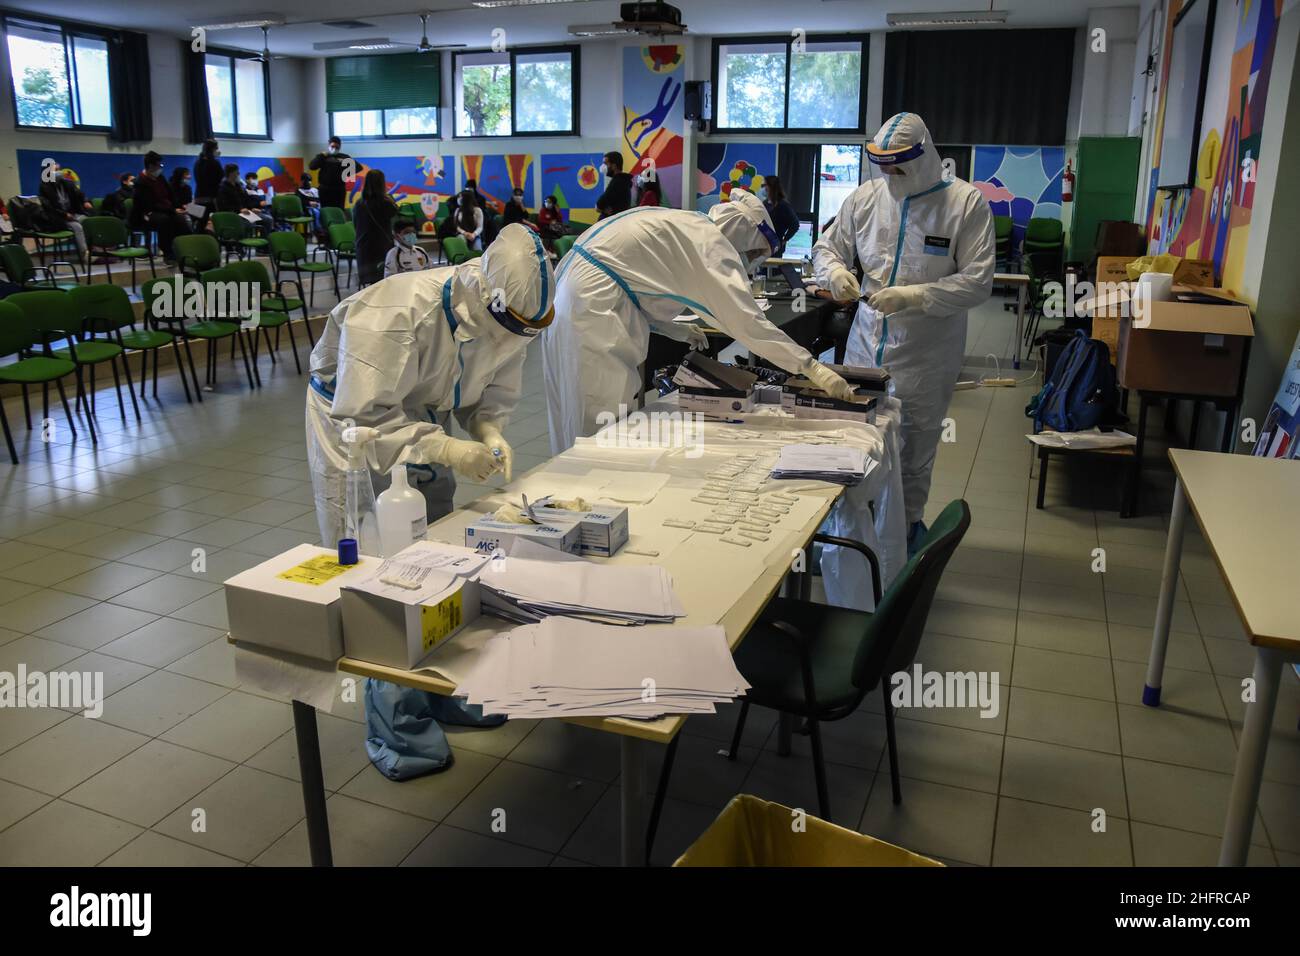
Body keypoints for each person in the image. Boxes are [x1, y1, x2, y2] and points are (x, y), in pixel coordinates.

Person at [306, 224, 555, 779]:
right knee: (383, 570)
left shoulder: (510, 319)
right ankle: (397, 724)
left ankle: (442, 687)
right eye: (510, 329)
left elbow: (490, 393)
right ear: (484, 296)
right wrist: (446, 447)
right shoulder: (396, 314)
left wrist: (487, 432)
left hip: (422, 417)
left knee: (438, 554)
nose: (514, 340)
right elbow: (364, 418)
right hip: (351, 429)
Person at [542, 188, 857, 453]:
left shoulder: (688, 224)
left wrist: (673, 327)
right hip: (591, 308)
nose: (749, 261)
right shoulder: (709, 242)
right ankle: (589, 504)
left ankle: (576, 495)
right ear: (743, 233)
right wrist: (810, 367)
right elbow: (747, 321)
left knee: (570, 410)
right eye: (753, 253)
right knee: (598, 416)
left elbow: (637, 281)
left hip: (576, 295)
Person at [813, 112, 995, 553]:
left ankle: (907, 533)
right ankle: (850, 536)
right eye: (883, 167)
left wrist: (915, 297)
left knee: (913, 445)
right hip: (865, 340)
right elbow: (826, 246)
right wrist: (835, 271)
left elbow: (978, 282)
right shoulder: (865, 198)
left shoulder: (965, 205)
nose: (890, 176)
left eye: (899, 168)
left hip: (926, 351)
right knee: (853, 437)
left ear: (924, 158)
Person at [130, 151, 192, 264]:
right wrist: (172, 210)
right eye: (159, 165)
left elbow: (170, 195)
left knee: (181, 220)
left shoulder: (160, 178)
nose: (161, 167)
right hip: (147, 213)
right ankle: (168, 253)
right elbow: (149, 204)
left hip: (166, 210)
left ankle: (186, 250)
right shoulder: (140, 182)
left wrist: (178, 206)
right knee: (165, 220)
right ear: (150, 166)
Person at [37, 164, 91, 266]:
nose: (59, 171)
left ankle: (95, 250)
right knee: (77, 226)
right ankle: (85, 255)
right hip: (57, 218)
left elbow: (79, 193)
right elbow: (49, 207)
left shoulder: (67, 183)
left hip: (72, 214)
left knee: (89, 221)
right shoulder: (44, 187)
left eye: (59, 169)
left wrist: (85, 201)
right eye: (55, 170)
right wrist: (64, 214)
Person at [352, 168, 397, 286]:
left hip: (364, 247)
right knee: (383, 284)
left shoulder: (359, 203)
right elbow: (394, 213)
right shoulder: (386, 203)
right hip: (381, 247)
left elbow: (355, 223)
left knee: (369, 286)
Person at [216, 164, 271, 236]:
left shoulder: (239, 187)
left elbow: (246, 200)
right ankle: (244, 243)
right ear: (231, 173)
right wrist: (239, 210)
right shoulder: (222, 188)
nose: (239, 174)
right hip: (233, 214)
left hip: (245, 212)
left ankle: (263, 244)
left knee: (268, 220)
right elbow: (223, 205)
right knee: (250, 223)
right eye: (237, 172)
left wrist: (252, 208)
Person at [760, 175, 799, 256]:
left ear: (771, 187)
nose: (762, 188)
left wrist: (785, 239)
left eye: (764, 185)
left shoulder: (783, 205)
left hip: (776, 247)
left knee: (774, 268)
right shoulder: (765, 203)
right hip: (763, 246)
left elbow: (795, 224)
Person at [309, 136, 352, 210]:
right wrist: (322, 156)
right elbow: (312, 166)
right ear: (329, 145)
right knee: (325, 211)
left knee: (339, 210)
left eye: (337, 147)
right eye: (332, 146)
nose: (334, 149)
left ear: (340, 147)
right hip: (324, 190)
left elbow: (350, 173)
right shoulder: (323, 157)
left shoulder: (345, 157)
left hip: (339, 190)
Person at [595, 151, 633, 219]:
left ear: (614, 165)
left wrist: (600, 208)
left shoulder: (618, 182)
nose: (603, 167)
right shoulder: (622, 180)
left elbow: (599, 204)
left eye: (606, 164)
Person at [192, 139, 223, 212]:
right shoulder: (214, 162)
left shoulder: (198, 162)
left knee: (201, 221)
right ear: (212, 149)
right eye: (216, 148)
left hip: (199, 196)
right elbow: (220, 178)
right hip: (211, 198)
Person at [296, 172, 323, 238]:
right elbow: (300, 202)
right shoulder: (299, 191)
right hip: (306, 209)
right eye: (307, 180)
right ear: (302, 181)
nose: (309, 182)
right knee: (315, 212)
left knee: (324, 211)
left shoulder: (314, 190)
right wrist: (310, 203)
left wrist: (314, 202)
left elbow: (319, 199)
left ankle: (325, 231)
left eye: (310, 180)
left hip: (317, 206)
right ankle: (317, 230)